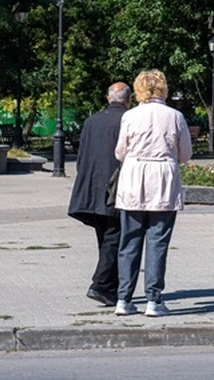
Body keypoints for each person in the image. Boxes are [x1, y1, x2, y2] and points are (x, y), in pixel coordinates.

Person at [113, 69, 192, 317]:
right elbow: (185, 154)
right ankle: (153, 300)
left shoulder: (130, 116)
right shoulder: (175, 116)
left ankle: (124, 299)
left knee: (129, 241)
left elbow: (120, 152)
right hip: (163, 179)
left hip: (134, 177)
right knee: (158, 241)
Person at [67, 82, 131, 307]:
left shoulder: (91, 121)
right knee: (114, 237)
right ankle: (101, 285)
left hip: (91, 188)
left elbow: (82, 154)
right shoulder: (129, 119)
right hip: (116, 187)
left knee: (105, 238)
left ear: (108, 98)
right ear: (128, 100)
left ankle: (110, 288)